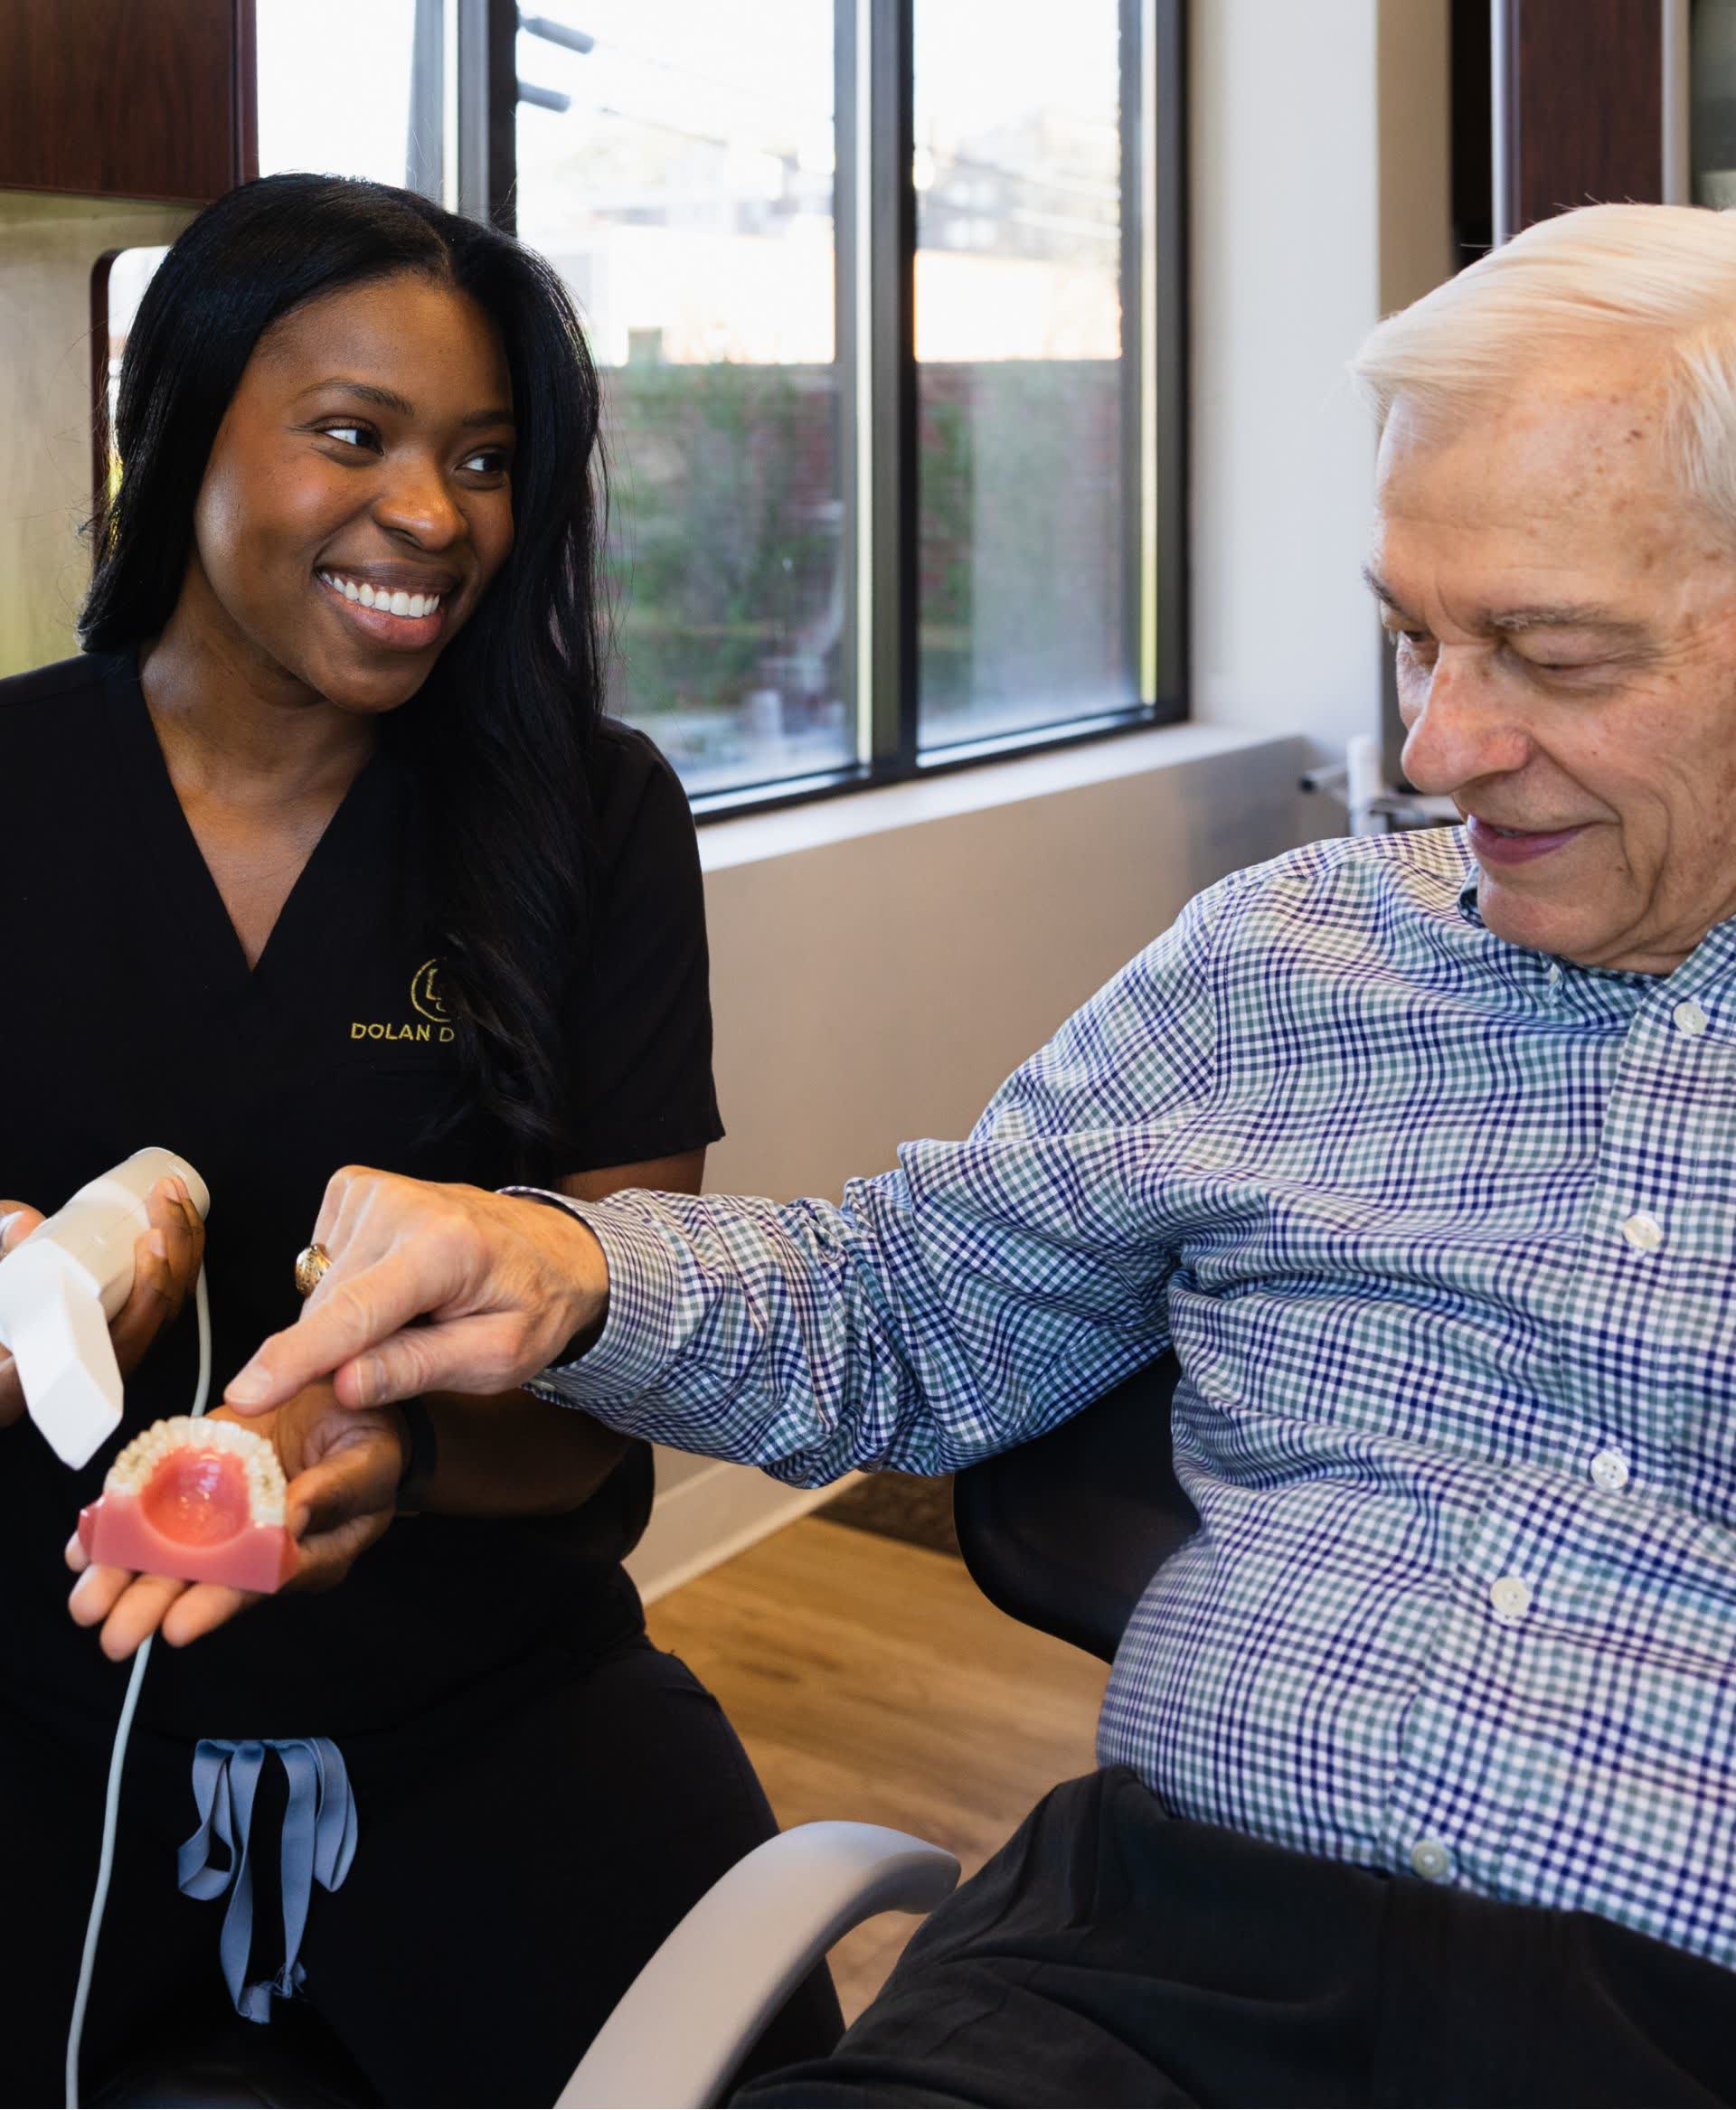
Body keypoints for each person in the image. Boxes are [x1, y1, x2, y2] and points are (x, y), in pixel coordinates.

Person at [228, 202, 1736, 2106]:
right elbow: (913, 1298)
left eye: (1551, 655)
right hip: (1139, 1963)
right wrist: (572, 1272)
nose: (1437, 748)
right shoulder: (1284, 963)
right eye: (1417, 638)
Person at [0, 173, 838, 2107]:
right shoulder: (19, 788)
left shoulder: (593, 822)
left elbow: (622, 1353)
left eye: (483, 458)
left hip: (483, 1703)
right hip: (45, 1695)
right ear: (174, 424)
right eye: (354, 436)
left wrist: (405, 1449)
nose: (435, 516)